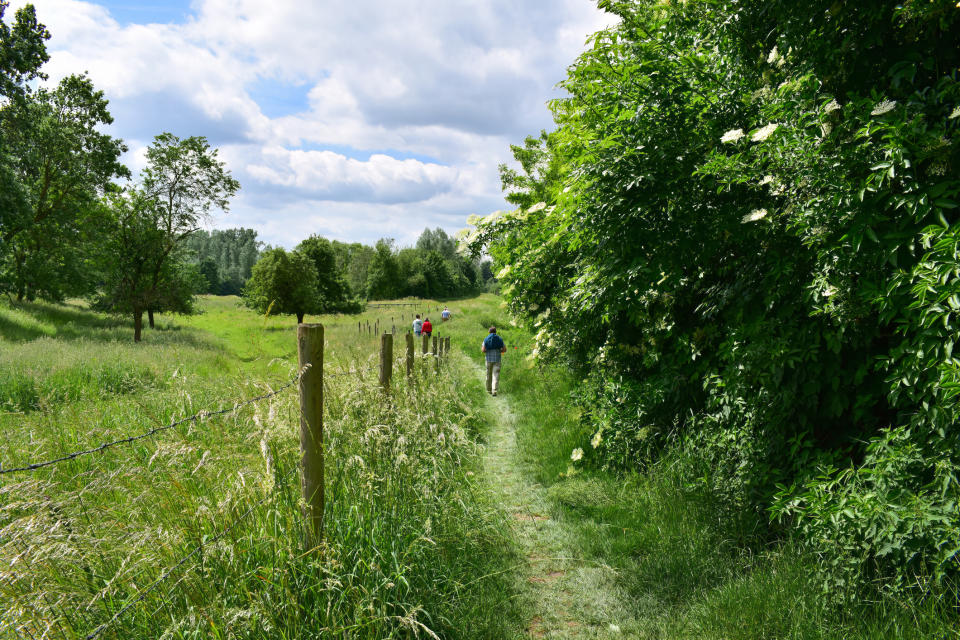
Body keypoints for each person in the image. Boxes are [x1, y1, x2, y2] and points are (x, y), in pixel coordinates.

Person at [481, 326, 506, 396]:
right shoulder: (499, 339)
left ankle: (488, 390)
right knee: (496, 374)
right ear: (495, 332)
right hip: (497, 359)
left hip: (488, 359)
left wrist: (488, 350)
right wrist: (499, 350)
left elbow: (483, 350)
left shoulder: (486, 339)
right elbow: (504, 349)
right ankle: (494, 390)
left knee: (488, 374)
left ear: (489, 332)